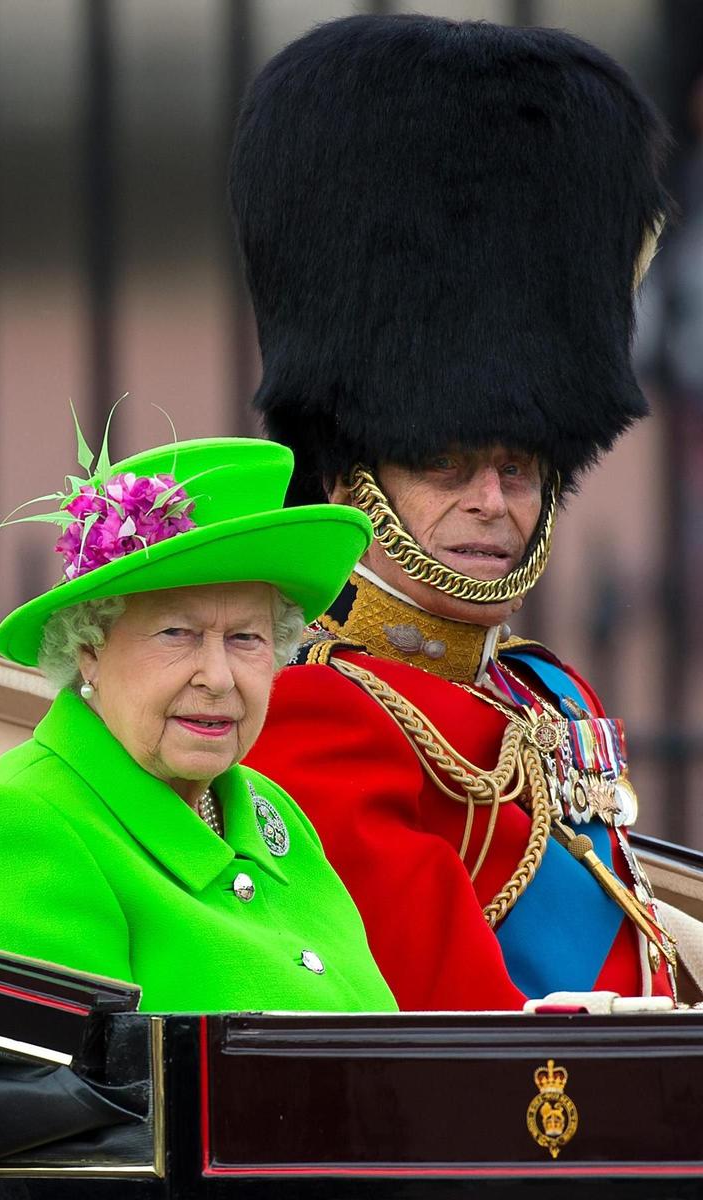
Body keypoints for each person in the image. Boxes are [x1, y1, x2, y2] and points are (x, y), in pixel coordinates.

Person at [235, 15, 678, 1009]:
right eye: (444, 465)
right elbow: (462, 1038)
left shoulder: (539, 693)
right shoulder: (318, 716)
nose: (490, 502)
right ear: (352, 478)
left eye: (517, 469)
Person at [0, 432, 396, 1014]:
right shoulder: (23, 825)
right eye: (178, 634)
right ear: (89, 646)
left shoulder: (272, 810)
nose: (219, 678)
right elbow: (59, 1101)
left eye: (246, 638)